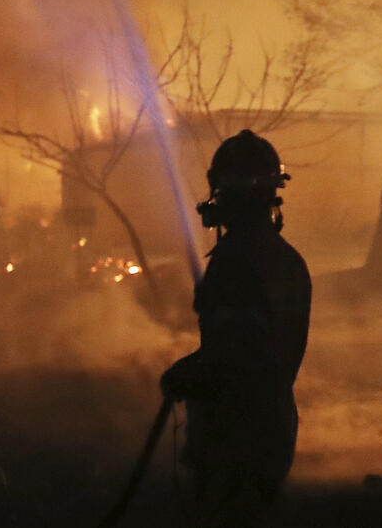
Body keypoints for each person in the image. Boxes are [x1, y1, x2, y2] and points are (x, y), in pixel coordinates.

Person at [160, 129, 311, 526]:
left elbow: (239, 361)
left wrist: (187, 375)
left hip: (233, 440)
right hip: (274, 428)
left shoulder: (235, 261)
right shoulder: (287, 259)